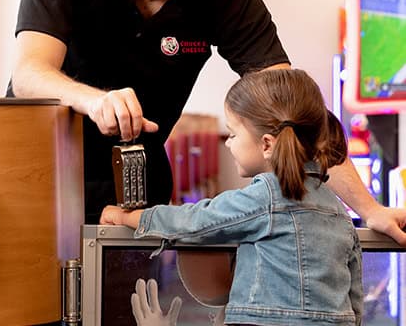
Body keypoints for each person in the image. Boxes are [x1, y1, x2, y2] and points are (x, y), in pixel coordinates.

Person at [8, 0, 406, 243]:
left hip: (133, 183)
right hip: (37, 166)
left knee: (119, 304)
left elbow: (297, 112)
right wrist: (94, 101)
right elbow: (29, 74)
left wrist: (370, 210)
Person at [100, 69, 363, 325]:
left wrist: (130, 216)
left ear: (267, 144)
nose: (228, 142)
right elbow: (355, 299)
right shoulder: (338, 210)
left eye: (234, 134)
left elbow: (197, 220)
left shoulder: (267, 196)